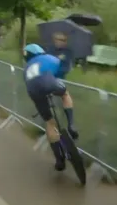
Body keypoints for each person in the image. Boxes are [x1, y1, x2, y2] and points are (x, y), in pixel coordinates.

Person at [23, 43, 78, 171]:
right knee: (65, 94)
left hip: (33, 90)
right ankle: (71, 125)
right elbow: (62, 70)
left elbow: (28, 82)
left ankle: (59, 160)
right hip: (48, 82)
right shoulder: (47, 58)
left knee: (49, 122)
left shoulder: (26, 68)